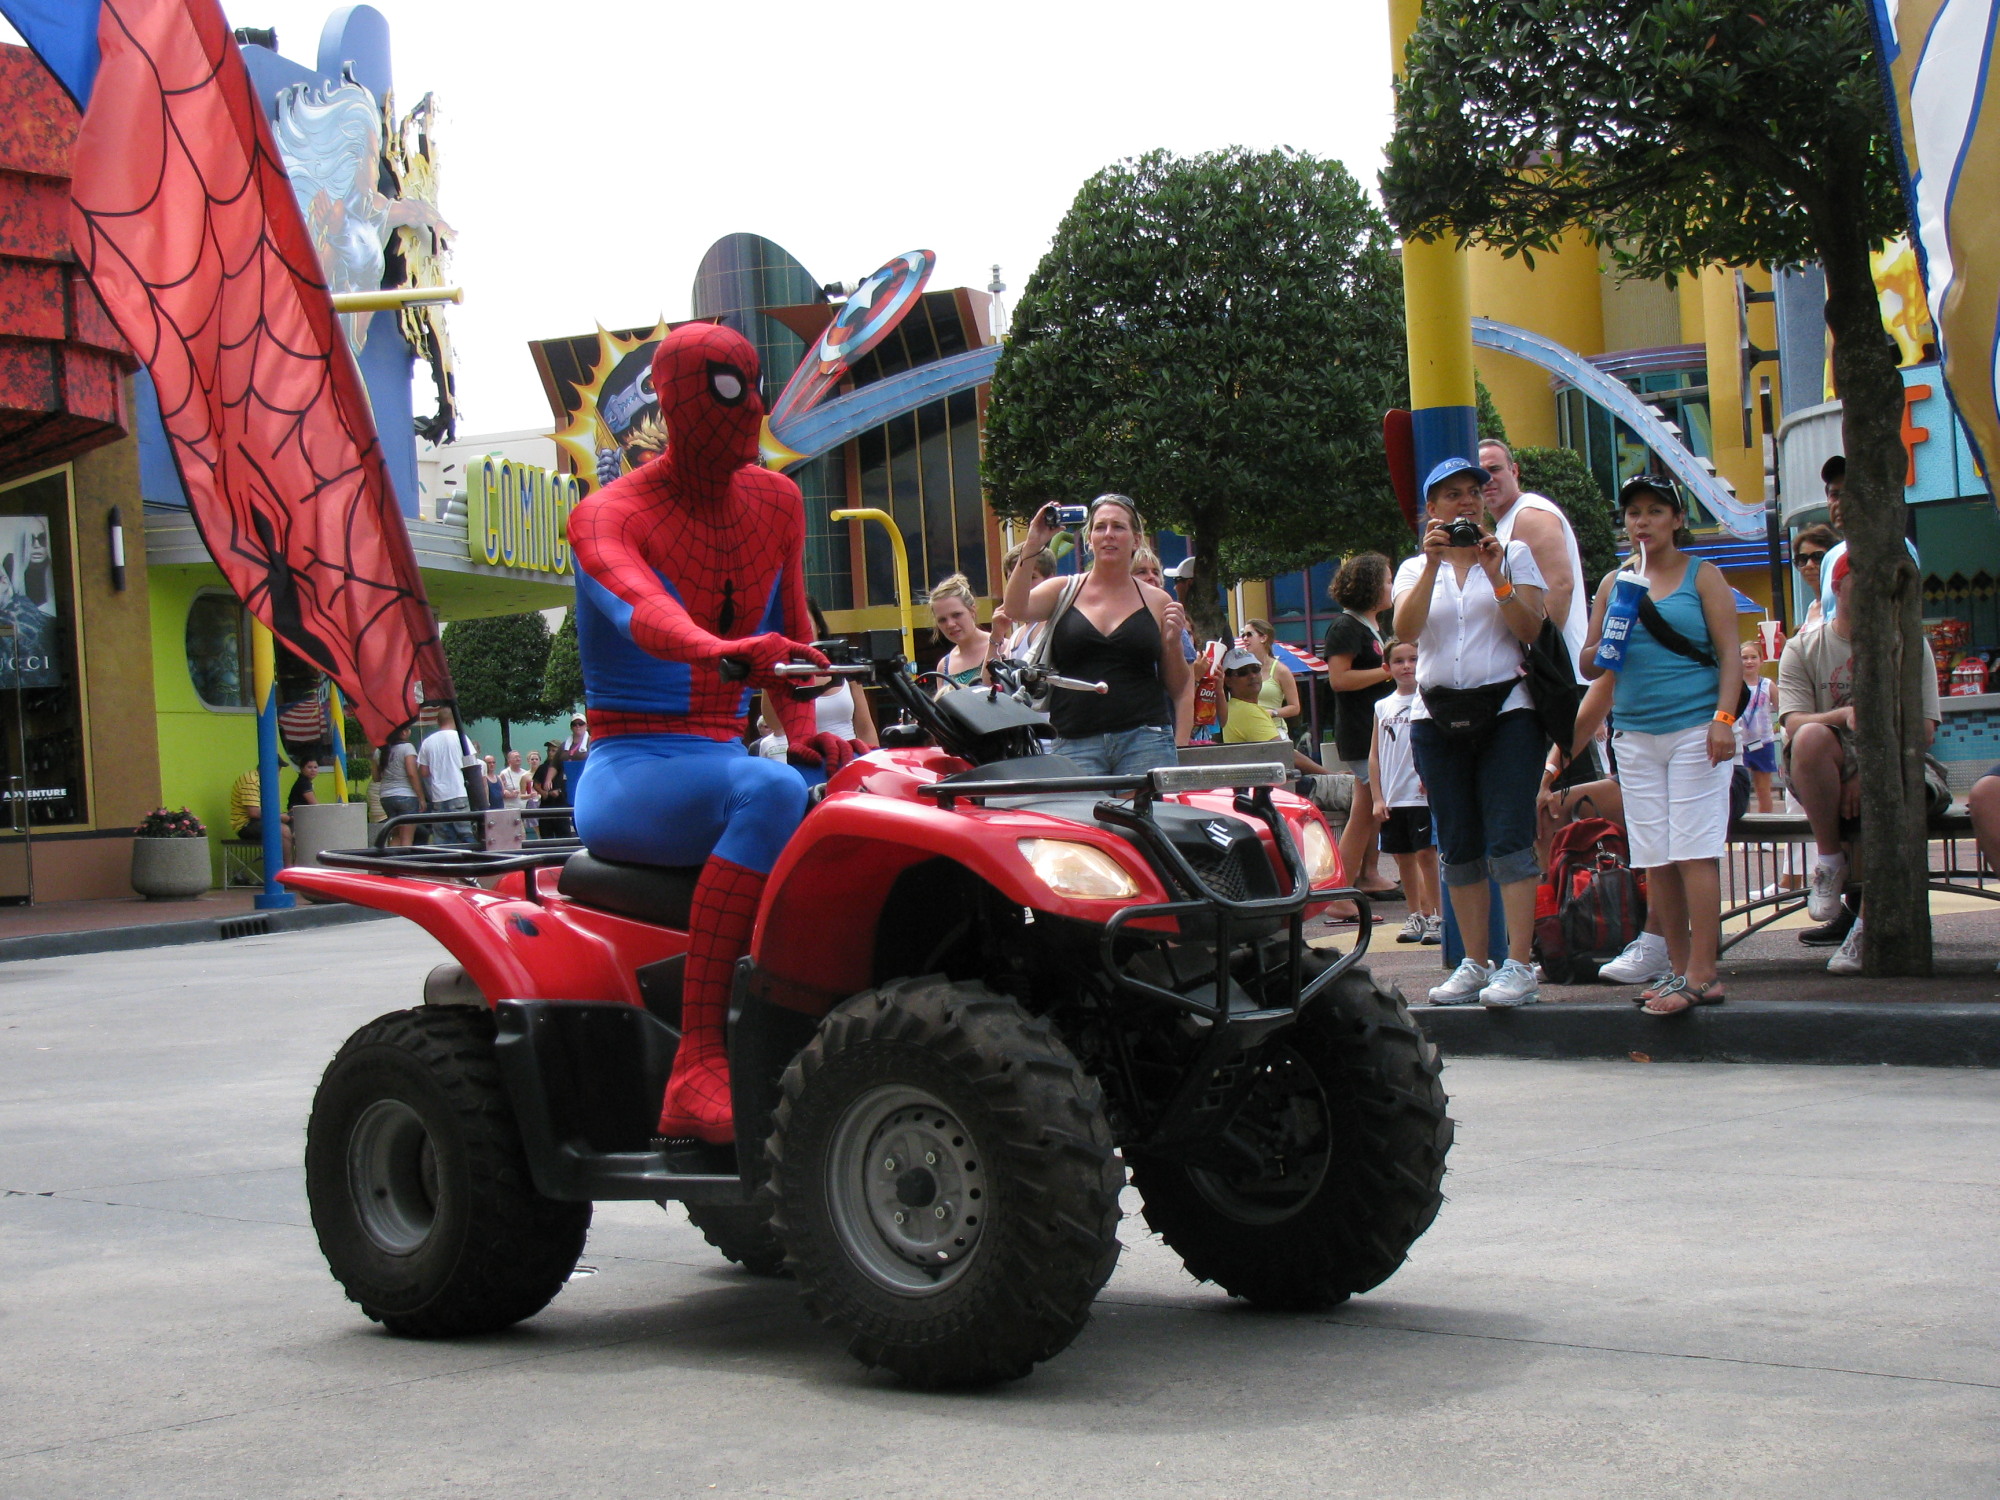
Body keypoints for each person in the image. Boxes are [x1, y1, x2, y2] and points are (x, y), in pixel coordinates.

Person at [567, 320, 855, 1145]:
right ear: (675, 402)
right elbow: (645, 612)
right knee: (764, 790)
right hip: (633, 763)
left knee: (871, 791)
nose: (753, 409)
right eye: (729, 390)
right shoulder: (605, 516)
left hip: (721, 755)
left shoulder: (777, 502)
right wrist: (728, 652)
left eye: (756, 385)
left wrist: (806, 732)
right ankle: (698, 1062)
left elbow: (794, 637)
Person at [1579, 475, 1742, 1013]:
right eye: (1633, 513)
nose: (1642, 521)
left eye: (1654, 511)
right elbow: (1588, 663)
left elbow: (1730, 656)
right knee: (1655, 858)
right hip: (1634, 734)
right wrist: (1611, 634)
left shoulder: (1704, 576)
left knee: (1693, 850)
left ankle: (1703, 972)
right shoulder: (1614, 582)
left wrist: (1723, 719)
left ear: (1676, 519)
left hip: (1696, 728)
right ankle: (1676, 969)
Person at [1392, 456, 1549, 1009]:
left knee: (1508, 835)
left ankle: (1520, 964)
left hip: (1509, 711)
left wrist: (1493, 572)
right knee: (1457, 843)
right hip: (1436, 718)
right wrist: (1436, 565)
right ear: (1430, 510)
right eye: (1452, 495)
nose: (1466, 503)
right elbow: (1405, 633)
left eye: (1474, 494)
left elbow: (1531, 627)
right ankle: (1474, 964)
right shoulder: (1414, 569)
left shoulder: (1513, 554)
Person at [1777, 550, 1941, 975]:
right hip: (1824, 763)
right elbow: (1793, 722)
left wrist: (1869, 771)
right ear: (1838, 586)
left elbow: (1922, 730)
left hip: (1898, 763)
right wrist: (1842, 717)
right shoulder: (1804, 646)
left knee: (1901, 789)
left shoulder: (1909, 642)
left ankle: (1864, 926)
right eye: (1860, 581)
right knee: (1811, 736)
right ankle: (1829, 859)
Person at [1001, 494, 1190, 775]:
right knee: (1083, 819)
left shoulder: (1157, 600)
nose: (1108, 535)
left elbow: (1177, 686)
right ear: (1089, 538)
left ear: (1136, 540)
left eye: (1118, 527)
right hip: (1076, 740)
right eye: (1100, 527)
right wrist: (1033, 543)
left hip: (1145, 737)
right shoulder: (1063, 589)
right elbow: (1015, 608)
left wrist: (1173, 644)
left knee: (1147, 818)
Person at [1319, 553, 1399, 900]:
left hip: (1373, 731)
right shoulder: (1345, 627)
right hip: (1360, 732)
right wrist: (1387, 671)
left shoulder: (1371, 627)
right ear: (1370, 586)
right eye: (1388, 580)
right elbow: (1339, 679)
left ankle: (1350, 887)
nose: (1392, 586)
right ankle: (1339, 896)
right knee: (1364, 814)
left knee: (1367, 814)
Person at [1480, 438, 1587, 674]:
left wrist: (1539, 658)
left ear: (1514, 470)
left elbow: (1559, 586)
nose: (1487, 479)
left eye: (1494, 469)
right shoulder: (1507, 522)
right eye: (1480, 473)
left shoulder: (1529, 515)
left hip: (1559, 676)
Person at [1370, 638, 1441, 945]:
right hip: (1394, 793)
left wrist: (1433, 774)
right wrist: (1377, 796)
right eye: (1399, 661)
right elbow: (1375, 754)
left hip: (1421, 793)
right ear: (1387, 668)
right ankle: (1415, 915)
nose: (1407, 666)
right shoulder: (1382, 706)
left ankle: (1438, 914)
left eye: (1413, 659)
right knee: (1403, 856)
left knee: (1427, 852)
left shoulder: (1429, 701)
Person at [1219, 648, 1327, 771]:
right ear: (1228, 681)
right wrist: (1331, 773)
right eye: (1243, 672)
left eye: (1255, 669)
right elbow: (1284, 753)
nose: (1252, 676)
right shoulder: (1248, 711)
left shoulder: (1234, 706)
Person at [989, 540, 1055, 658]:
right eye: (1013, 579)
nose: (1021, 585)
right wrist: (996, 636)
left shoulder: (1052, 624)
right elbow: (989, 676)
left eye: (1031, 577)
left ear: (1050, 580)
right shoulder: (1016, 635)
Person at [927, 573, 992, 692]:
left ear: (972, 610)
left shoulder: (1002, 647)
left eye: (956, 615)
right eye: (942, 620)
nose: (950, 624)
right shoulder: (944, 666)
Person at [417, 708, 472, 846]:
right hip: (459, 792)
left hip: (438, 796)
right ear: (455, 720)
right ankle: (472, 864)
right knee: (466, 835)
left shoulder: (428, 742)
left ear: (437, 721)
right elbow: (472, 766)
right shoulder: (461, 738)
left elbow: (423, 772)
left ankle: (445, 866)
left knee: (442, 840)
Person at [1739, 640, 1777, 814]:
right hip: (1740, 744)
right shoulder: (1734, 685)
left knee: (1763, 790)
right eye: (1744, 658)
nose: (1749, 661)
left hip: (1763, 743)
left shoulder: (1768, 685)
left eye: (1753, 657)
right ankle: (1744, 836)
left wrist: (1777, 730)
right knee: (1741, 790)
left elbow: (1782, 711)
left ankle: (1767, 837)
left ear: (1761, 660)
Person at [228, 766, 295, 863]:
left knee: (300, 827)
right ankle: (288, 870)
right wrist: (281, 817)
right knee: (282, 830)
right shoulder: (251, 780)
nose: (279, 774)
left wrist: (287, 816)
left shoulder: (264, 782)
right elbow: (254, 813)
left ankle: (300, 867)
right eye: (278, 771)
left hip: (261, 821)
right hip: (246, 825)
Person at [374, 726, 424, 847]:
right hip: (406, 795)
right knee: (407, 838)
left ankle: (391, 862)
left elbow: (376, 777)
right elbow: (412, 774)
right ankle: (406, 864)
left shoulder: (379, 751)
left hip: (386, 797)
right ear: (403, 732)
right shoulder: (408, 748)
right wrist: (421, 798)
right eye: (408, 729)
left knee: (395, 835)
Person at [1792, 523, 1837, 630]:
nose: (1809, 565)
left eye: (1817, 557)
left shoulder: (1840, 602)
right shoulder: (1812, 607)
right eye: (1802, 559)